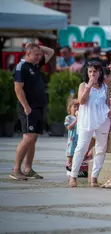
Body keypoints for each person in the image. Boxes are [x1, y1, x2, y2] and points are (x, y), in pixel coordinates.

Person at [10, 42, 54, 180]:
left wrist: (36, 47)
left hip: (38, 106)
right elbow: (18, 88)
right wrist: (26, 106)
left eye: (40, 55)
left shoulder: (35, 65)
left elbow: (51, 52)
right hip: (28, 108)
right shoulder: (21, 67)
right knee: (28, 137)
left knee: (33, 139)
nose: (39, 57)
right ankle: (16, 170)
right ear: (27, 53)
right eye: (36, 54)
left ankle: (28, 168)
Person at [69, 61, 111, 187]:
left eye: (95, 71)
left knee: (100, 149)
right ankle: (73, 176)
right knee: (81, 147)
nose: (92, 74)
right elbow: (82, 101)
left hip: (103, 120)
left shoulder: (105, 86)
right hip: (87, 120)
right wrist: (89, 86)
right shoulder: (83, 85)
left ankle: (94, 177)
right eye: (90, 71)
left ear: (100, 72)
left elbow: (107, 103)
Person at [64, 99, 79, 172]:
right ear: (70, 108)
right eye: (75, 106)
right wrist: (76, 120)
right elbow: (69, 127)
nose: (77, 108)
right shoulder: (68, 117)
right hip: (72, 139)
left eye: (78, 107)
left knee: (77, 153)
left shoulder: (81, 117)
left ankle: (74, 167)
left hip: (79, 138)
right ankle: (68, 165)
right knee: (71, 152)